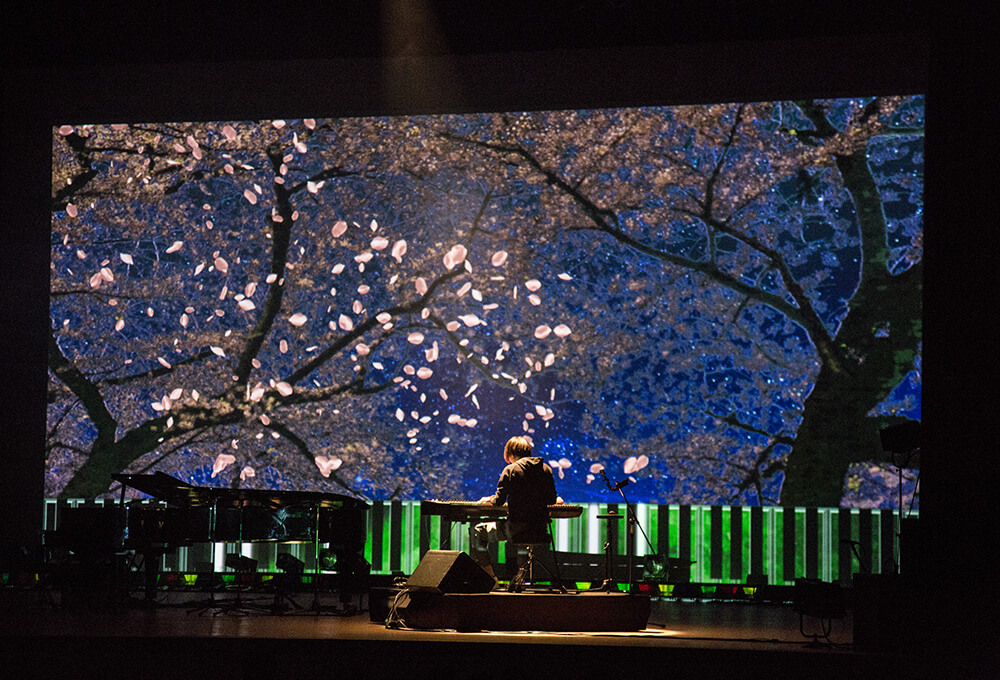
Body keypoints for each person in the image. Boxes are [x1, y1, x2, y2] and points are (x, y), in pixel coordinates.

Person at [472, 435, 562, 580]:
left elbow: (498, 502)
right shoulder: (545, 469)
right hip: (539, 528)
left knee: (478, 531)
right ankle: (520, 578)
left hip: (516, 527)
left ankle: (490, 577)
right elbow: (551, 499)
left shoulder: (511, 470)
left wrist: (488, 499)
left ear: (510, 453)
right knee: (523, 541)